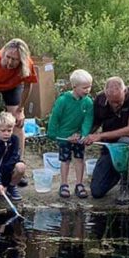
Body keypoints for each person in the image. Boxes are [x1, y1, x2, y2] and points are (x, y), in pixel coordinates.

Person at [0, 38, 38, 184]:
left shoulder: (27, 64)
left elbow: (28, 86)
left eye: (14, 60)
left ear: (21, 59)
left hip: (12, 86)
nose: (10, 62)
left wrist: (20, 109)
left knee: (18, 122)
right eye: (8, 58)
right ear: (4, 54)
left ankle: (18, 164)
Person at [83, 77, 129, 204]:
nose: (115, 105)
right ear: (106, 94)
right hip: (110, 145)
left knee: (124, 143)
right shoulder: (100, 100)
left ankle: (126, 184)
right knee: (97, 191)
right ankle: (122, 170)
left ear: (125, 91)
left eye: (118, 102)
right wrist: (84, 136)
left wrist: (101, 135)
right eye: (112, 102)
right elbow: (94, 124)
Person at [47, 69, 95, 199]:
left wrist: (84, 134)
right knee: (65, 160)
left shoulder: (88, 102)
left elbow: (88, 119)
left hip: (78, 137)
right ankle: (64, 184)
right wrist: (53, 134)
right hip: (64, 137)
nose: (88, 90)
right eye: (84, 87)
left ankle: (79, 184)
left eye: (89, 86)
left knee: (79, 159)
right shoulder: (63, 100)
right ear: (74, 86)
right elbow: (55, 117)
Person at [0, 111, 26, 202]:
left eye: (9, 130)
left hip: (9, 171)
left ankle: (11, 187)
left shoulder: (15, 140)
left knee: (21, 166)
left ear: (13, 129)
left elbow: (14, 158)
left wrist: (5, 184)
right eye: (3, 131)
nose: (6, 133)